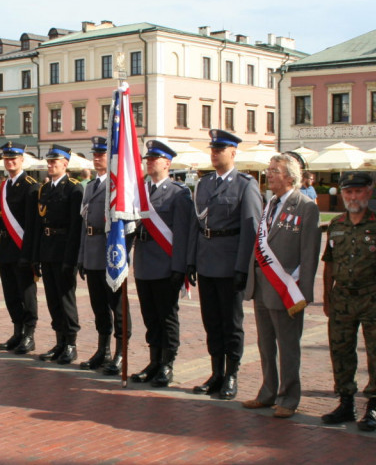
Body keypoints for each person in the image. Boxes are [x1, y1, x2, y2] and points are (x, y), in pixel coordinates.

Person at [320, 172, 376, 432]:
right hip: (342, 297)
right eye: (348, 192)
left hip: (374, 297)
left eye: (358, 192)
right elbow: (329, 263)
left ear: (369, 192)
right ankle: (346, 402)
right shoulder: (336, 224)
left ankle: (374, 406)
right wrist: (327, 296)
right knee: (341, 350)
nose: (353, 197)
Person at [242, 153, 321, 418]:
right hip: (262, 286)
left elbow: (309, 255)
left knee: (288, 346)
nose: (269, 174)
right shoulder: (270, 203)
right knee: (265, 345)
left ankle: (289, 398)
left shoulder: (305, 207)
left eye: (274, 170)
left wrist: (303, 293)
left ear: (289, 176)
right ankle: (267, 392)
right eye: (269, 169)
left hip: (287, 290)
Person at [187, 129, 263, 399]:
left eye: (220, 149)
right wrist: (191, 261)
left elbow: (251, 229)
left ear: (233, 152)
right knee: (212, 322)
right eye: (213, 149)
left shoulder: (245, 185)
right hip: (207, 261)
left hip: (231, 263)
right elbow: (197, 226)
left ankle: (232, 374)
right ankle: (216, 372)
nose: (215, 153)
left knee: (232, 323)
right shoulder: (204, 184)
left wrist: (244, 267)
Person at [130, 140, 195, 387]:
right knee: (150, 317)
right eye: (147, 159)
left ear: (167, 163)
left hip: (166, 265)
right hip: (145, 262)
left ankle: (167, 363)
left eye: (154, 159)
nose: (149, 162)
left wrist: (180, 268)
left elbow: (182, 234)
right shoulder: (140, 192)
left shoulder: (179, 193)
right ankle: (154, 361)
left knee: (167, 317)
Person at [77, 136, 129, 375]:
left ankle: (121, 352)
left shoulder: (119, 187)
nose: (98, 158)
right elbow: (83, 224)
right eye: (95, 154)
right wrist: (81, 256)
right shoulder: (90, 186)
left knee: (117, 307)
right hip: (92, 252)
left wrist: (122, 257)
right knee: (98, 307)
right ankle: (103, 350)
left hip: (111, 254)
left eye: (102, 154)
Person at [0, 142, 39, 355]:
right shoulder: (4, 186)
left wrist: (30, 254)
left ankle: (29, 334)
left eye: (14, 158)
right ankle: (17, 331)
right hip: (6, 247)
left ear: (22, 159)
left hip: (22, 248)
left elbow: (33, 224)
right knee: (11, 294)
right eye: (7, 159)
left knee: (26, 294)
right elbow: (2, 220)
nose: (10, 162)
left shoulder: (31, 186)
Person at [35, 145, 83, 365]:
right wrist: (37, 255)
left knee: (66, 299)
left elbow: (76, 227)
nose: (51, 165)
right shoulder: (45, 189)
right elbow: (40, 223)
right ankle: (59, 341)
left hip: (64, 250)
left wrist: (71, 258)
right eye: (49, 161)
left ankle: (71, 344)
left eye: (55, 161)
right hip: (47, 248)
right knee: (53, 299)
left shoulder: (74, 189)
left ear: (66, 164)